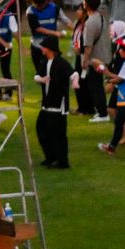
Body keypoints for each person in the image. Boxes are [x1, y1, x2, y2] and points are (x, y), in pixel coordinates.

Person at [35, 36, 73, 169]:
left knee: (58, 134)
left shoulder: (61, 63)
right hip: (46, 104)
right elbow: (37, 76)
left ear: (49, 49)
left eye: (44, 46)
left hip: (58, 106)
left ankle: (62, 161)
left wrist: (76, 82)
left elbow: (73, 74)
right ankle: (50, 157)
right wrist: (41, 79)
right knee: (42, 129)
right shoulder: (44, 62)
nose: (42, 48)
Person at [80, 0, 111, 124]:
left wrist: (85, 60)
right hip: (105, 54)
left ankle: (103, 112)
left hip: (95, 58)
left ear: (86, 5)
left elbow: (88, 45)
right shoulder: (101, 17)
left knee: (96, 86)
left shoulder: (90, 22)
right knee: (98, 84)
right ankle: (101, 110)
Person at [26, 0, 70, 76]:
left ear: (46, 2)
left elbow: (66, 21)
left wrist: (76, 29)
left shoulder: (55, 8)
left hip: (52, 46)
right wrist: (55, 33)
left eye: (40, 5)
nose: (39, 7)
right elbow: (37, 28)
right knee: (41, 73)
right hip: (37, 46)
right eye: (37, 5)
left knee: (54, 71)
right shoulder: (30, 11)